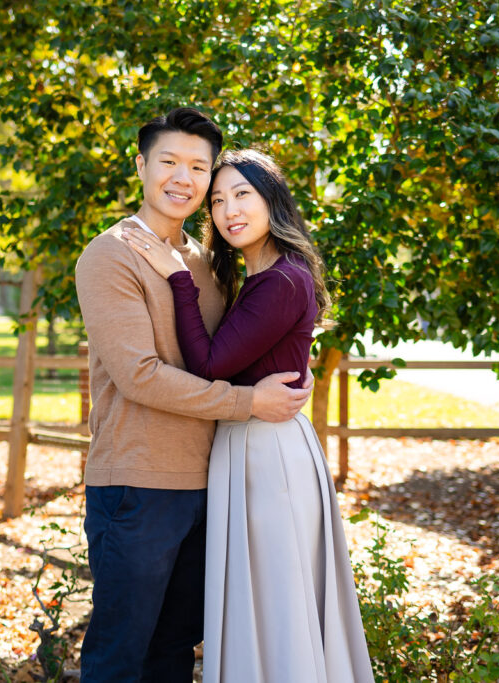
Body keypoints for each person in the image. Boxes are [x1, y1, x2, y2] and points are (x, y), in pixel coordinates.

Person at [74, 108, 314, 683]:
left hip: (211, 482)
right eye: (170, 162)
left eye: (198, 167)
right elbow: (141, 375)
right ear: (141, 166)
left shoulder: (206, 263)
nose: (183, 177)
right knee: (119, 653)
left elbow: (241, 347)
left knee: (175, 650)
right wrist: (247, 404)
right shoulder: (109, 255)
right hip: (138, 482)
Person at [122, 148, 375, 683]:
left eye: (243, 194)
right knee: (262, 597)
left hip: (269, 454)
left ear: (272, 200)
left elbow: (209, 364)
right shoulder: (259, 278)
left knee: (277, 599)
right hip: (254, 443)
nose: (228, 210)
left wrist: (177, 278)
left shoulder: (282, 280)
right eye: (217, 200)